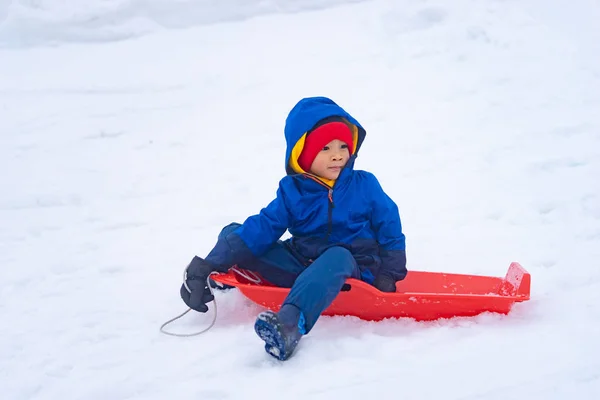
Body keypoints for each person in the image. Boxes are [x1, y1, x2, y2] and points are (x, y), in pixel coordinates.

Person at [180, 96, 407, 360]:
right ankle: (226, 272)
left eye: (343, 146)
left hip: (352, 269)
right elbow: (263, 227)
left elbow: (389, 227)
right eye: (325, 148)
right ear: (303, 154)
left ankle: (290, 323)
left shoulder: (365, 185)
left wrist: (389, 274)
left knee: (337, 255)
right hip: (301, 263)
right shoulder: (292, 192)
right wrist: (207, 265)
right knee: (234, 232)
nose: (337, 155)